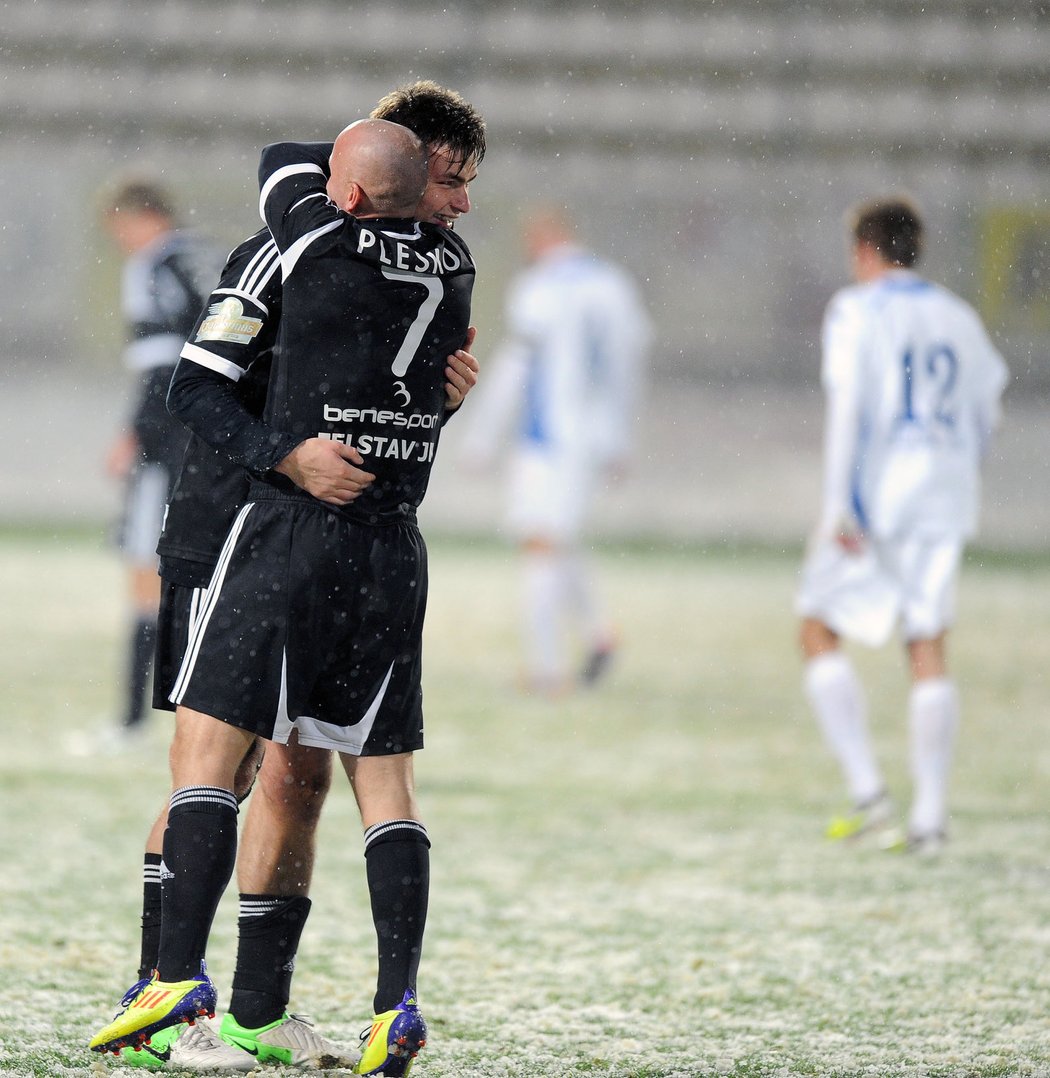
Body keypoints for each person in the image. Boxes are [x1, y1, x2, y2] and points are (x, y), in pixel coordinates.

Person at [89, 118, 476, 1078]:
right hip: (232, 529)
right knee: (209, 761)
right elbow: (203, 386)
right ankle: (164, 997)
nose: (461, 200)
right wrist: (284, 457)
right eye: (450, 177)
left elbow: (382, 407)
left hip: (332, 541)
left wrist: (439, 394)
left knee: (297, 775)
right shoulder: (281, 249)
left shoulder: (424, 266)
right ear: (382, 175)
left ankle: (259, 1008)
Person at [796, 197, 1008, 855]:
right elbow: (987, 408)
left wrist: (839, 503)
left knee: (817, 628)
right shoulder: (958, 316)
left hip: (878, 497)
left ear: (863, 250)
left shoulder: (857, 310)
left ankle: (871, 797)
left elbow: (850, 407)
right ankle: (932, 820)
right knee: (927, 642)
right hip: (944, 494)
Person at [459, 205, 650, 696]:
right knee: (553, 540)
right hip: (588, 437)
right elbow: (629, 360)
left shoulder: (540, 288)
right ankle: (598, 635)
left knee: (541, 545)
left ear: (540, 238)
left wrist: (481, 435)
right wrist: (618, 435)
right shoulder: (612, 285)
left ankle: (546, 671)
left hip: (548, 439)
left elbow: (517, 365)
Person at [98, 178, 221, 747]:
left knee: (146, 572)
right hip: (209, 438)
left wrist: (135, 431)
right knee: (198, 572)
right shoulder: (205, 258)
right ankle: (208, 712)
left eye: (121, 228)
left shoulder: (154, 264)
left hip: (166, 440)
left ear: (141, 218)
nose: (121, 240)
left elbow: (162, 363)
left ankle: (133, 718)